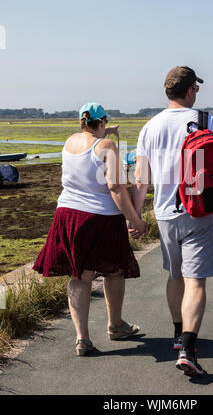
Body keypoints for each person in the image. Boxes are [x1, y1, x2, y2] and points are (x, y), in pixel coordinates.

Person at [131, 66, 213, 376]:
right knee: (196, 281)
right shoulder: (205, 121)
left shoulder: (149, 127)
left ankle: (179, 335)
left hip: (164, 214)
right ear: (190, 90)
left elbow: (140, 180)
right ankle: (189, 349)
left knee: (175, 276)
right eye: (196, 89)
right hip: (199, 211)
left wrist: (136, 218)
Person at [33, 102, 147, 356]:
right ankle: (115, 324)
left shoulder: (69, 142)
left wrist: (104, 132)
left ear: (82, 121)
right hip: (101, 218)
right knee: (115, 271)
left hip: (67, 215)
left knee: (79, 276)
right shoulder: (108, 147)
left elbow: (90, 146)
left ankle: (82, 339)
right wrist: (135, 220)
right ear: (103, 121)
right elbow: (116, 188)